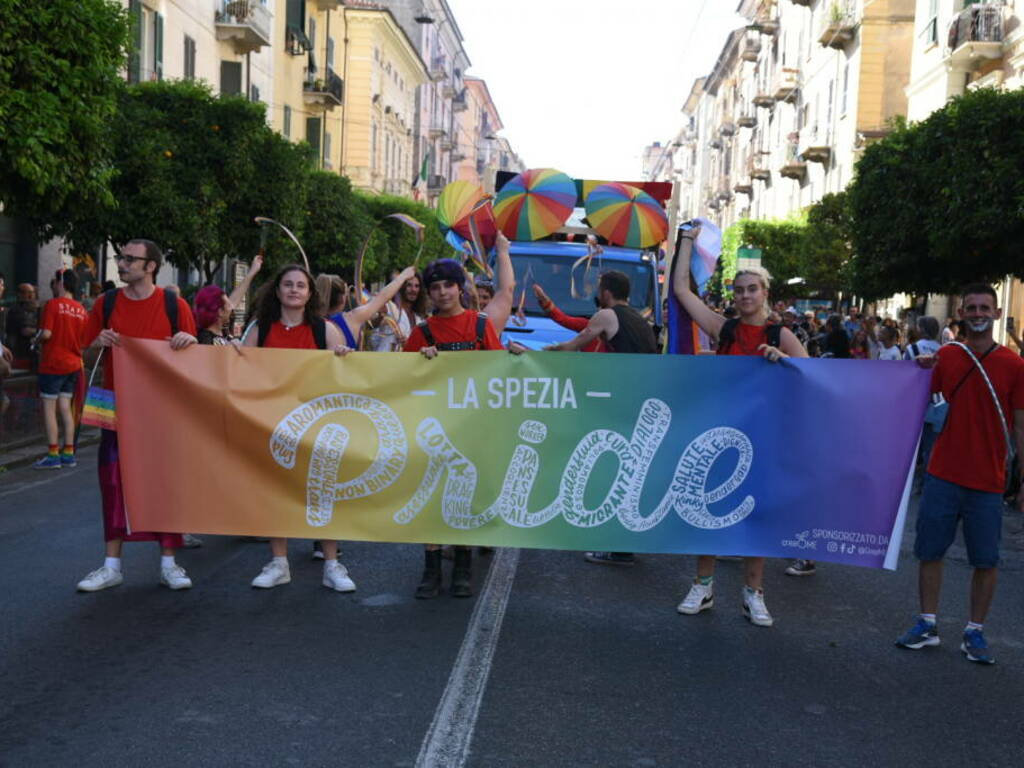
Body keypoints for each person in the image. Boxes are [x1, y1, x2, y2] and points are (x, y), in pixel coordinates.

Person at [671, 226, 807, 626]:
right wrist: (685, 242)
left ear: (765, 293)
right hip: (721, 434)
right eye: (739, 289)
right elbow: (681, 290)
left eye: (752, 289)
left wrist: (783, 359)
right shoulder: (724, 328)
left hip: (764, 437)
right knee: (708, 509)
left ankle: (754, 593)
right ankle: (703, 585)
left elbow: (814, 376)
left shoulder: (781, 333)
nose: (745, 295)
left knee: (755, 514)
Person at [895, 284, 1024, 664]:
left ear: (997, 314)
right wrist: (917, 371)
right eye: (972, 307)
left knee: (986, 560)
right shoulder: (947, 357)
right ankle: (928, 623)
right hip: (943, 475)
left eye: (985, 307)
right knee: (929, 552)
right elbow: (910, 399)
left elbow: (1020, 425)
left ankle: (975, 631)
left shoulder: (1015, 366)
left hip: (987, 481)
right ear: (962, 314)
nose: (979, 313)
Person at [76, 239, 199, 592]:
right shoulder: (106, 302)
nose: (122, 263)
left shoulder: (174, 305)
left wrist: (188, 341)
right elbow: (84, 354)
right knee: (113, 480)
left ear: (151, 266)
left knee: (165, 481)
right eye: (121, 257)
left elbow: (196, 360)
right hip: (116, 406)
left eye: (131, 259)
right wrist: (97, 341)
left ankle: (169, 563)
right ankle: (111, 565)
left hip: (162, 410)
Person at [242, 264, 358, 592]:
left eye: (300, 286)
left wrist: (344, 356)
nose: (294, 290)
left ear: (310, 294)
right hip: (273, 423)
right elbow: (239, 368)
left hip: (317, 424)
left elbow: (346, 373)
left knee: (322, 491)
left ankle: (332, 564)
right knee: (276, 491)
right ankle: (279, 562)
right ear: (277, 291)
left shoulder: (324, 330)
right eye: (287, 284)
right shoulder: (259, 329)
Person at [403, 258, 508, 599]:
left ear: (459, 287)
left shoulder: (480, 325)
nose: (442, 292)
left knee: (468, 496)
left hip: (472, 427)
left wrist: (517, 357)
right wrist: (420, 360)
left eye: (448, 285)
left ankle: (463, 566)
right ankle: (431, 568)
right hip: (432, 427)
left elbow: (499, 371)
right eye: (435, 287)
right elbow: (398, 378)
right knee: (432, 496)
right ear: (428, 294)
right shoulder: (421, 332)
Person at [544, 270, 658, 566]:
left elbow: (570, 347)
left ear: (606, 291)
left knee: (613, 471)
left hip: (622, 405)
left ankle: (617, 546)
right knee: (628, 472)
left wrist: (532, 356)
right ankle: (623, 543)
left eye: (598, 287)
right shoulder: (638, 320)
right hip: (642, 403)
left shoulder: (607, 315)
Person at [34, 269, 88, 470]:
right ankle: (68, 453)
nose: (53, 286)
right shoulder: (82, 310)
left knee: (49, 408)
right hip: (73, 365)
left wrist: (36, 339)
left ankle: (53, 454)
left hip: (53, 363)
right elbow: (84, 342)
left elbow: (46, 334)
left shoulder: (53, 305)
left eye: (55, 282)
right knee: (65, 407)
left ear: (61, 283)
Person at [532, 283, 607, 352]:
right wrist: (542, 297)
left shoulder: (617, 330)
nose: (600, 309)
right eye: (599, 305)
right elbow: (562, 318)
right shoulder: (587, 325)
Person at [5, 282, 39, 370]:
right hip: (20, 354)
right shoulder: (16, 310)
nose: (31, 295)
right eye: (28, 292)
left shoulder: (35, 310)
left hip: (33, 356)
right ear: (20, 294)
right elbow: (26, 331)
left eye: (32, 292)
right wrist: (40, 331)